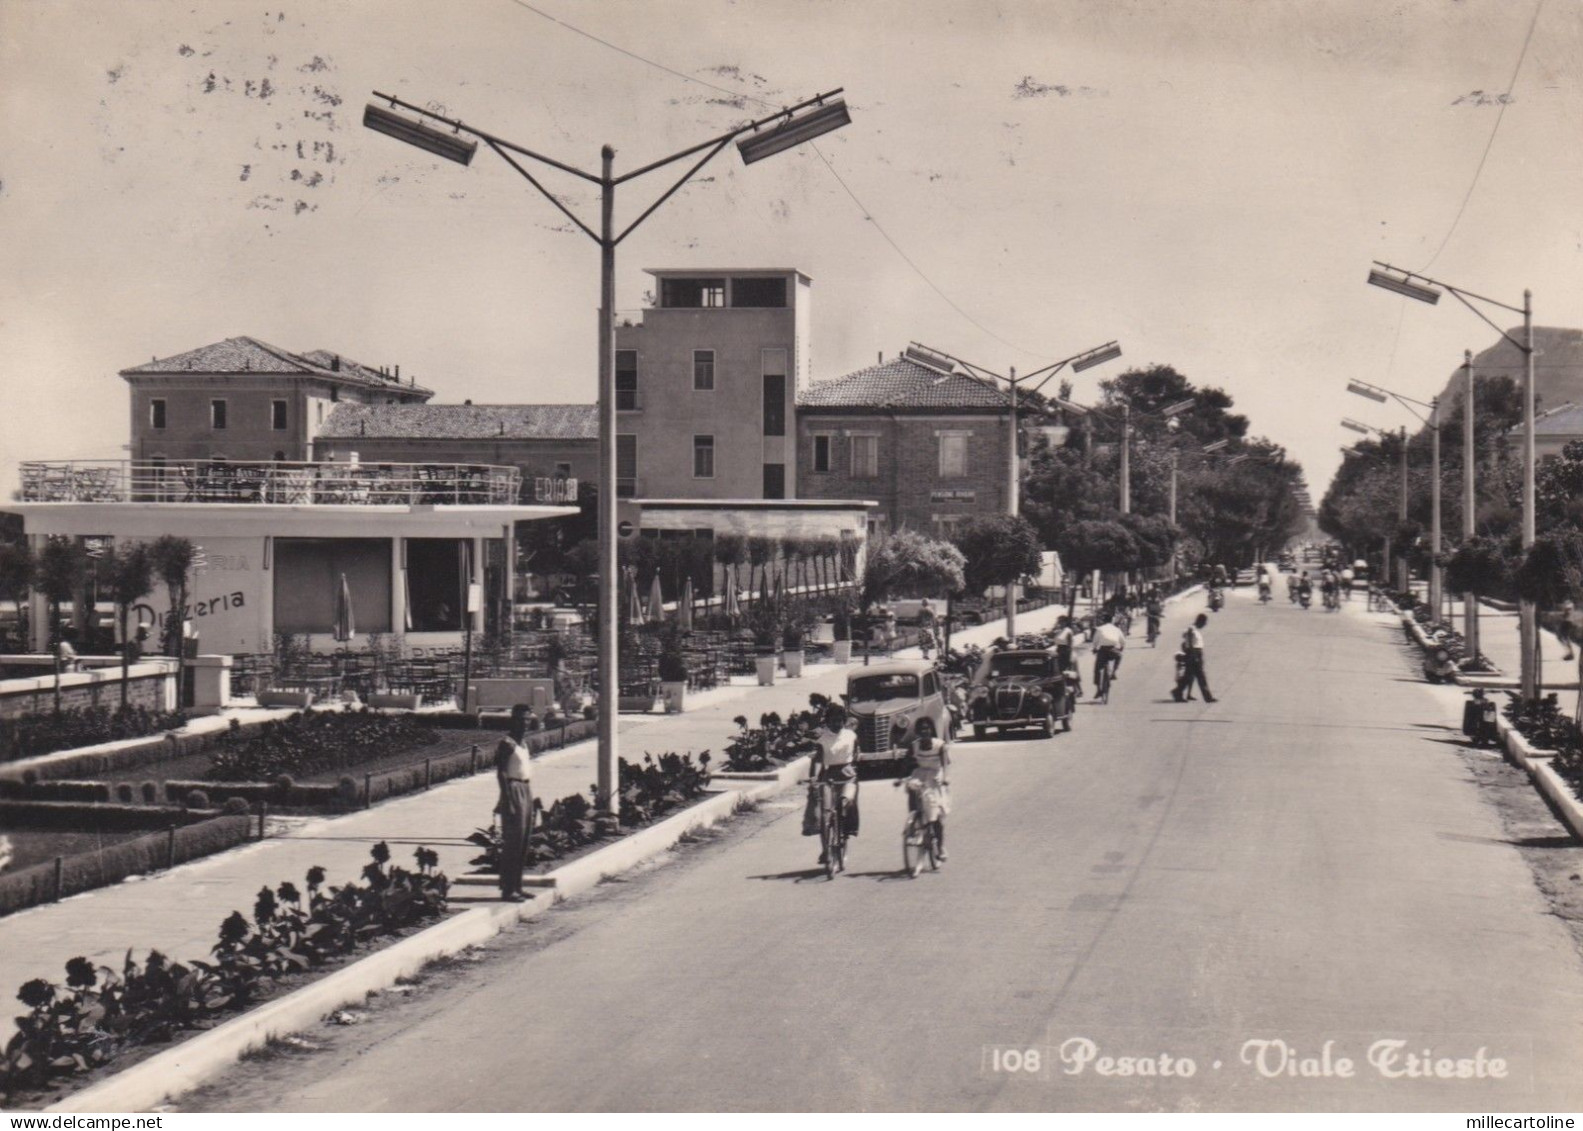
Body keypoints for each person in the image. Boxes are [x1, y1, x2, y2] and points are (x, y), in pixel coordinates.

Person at [493, 705, 535, 902]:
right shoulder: (507, 743)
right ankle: (508, 889)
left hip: (526, 789)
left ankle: (518, 886)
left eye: (527, 719)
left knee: (524, 841)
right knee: (513, 842)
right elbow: (501, 772)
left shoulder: (523, 743)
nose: (524, 723)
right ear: (513, 720)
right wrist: (506, 799)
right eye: (520, 719)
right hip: (514, 790)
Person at [809, 703, 860, 865]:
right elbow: (818, 760)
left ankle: (845, 832)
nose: (836, 724)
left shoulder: (850, 735)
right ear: (827, 721)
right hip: (829, 777)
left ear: (843, 721)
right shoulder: (823, 740)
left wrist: (855, 763)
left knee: (847, 802)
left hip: (847, 775)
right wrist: (814, 777)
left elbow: (857, 753)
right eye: (833, 720)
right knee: (825, 815)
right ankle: (826, 850)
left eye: (839, 720)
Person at [897, 716, 951, 862]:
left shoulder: (940, 745)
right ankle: (915, 820)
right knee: (912, 788)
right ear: (917, 732)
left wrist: (945, 778)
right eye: (921, 729)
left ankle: (940, 847)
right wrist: (900, 778)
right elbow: (906, 764)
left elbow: (945, 764)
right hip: (920, 774)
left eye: (927, 729)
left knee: (936, 814)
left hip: (935, 775)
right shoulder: (914, 746)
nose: (924, 732)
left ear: (931, 730)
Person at [1172, 613, 1216, 703]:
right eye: (1204, 623)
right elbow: (1190, 643)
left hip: (1196, 653)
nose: (1204, 625)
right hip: (1193, 654)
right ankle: (1208, 697)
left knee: (1189, 676)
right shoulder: (1191, 629)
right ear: (1200, 621)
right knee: (1200, 676)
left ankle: (1177, 692)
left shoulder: (1194, 629)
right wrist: (1194, 656)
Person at [1092, 616, 1126, 689]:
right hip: (1113, 650)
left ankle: (1098, 688)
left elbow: (1095, 641)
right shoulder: (1117, 629)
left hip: (1102, 650)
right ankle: (1114, 671)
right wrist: (1121, 648)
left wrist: (1094, 648)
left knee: (1097, 668)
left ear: (1103, 621)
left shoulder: (1100, 629)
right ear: (1112, 621)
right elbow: (1123, 642)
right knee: (1119, 656)